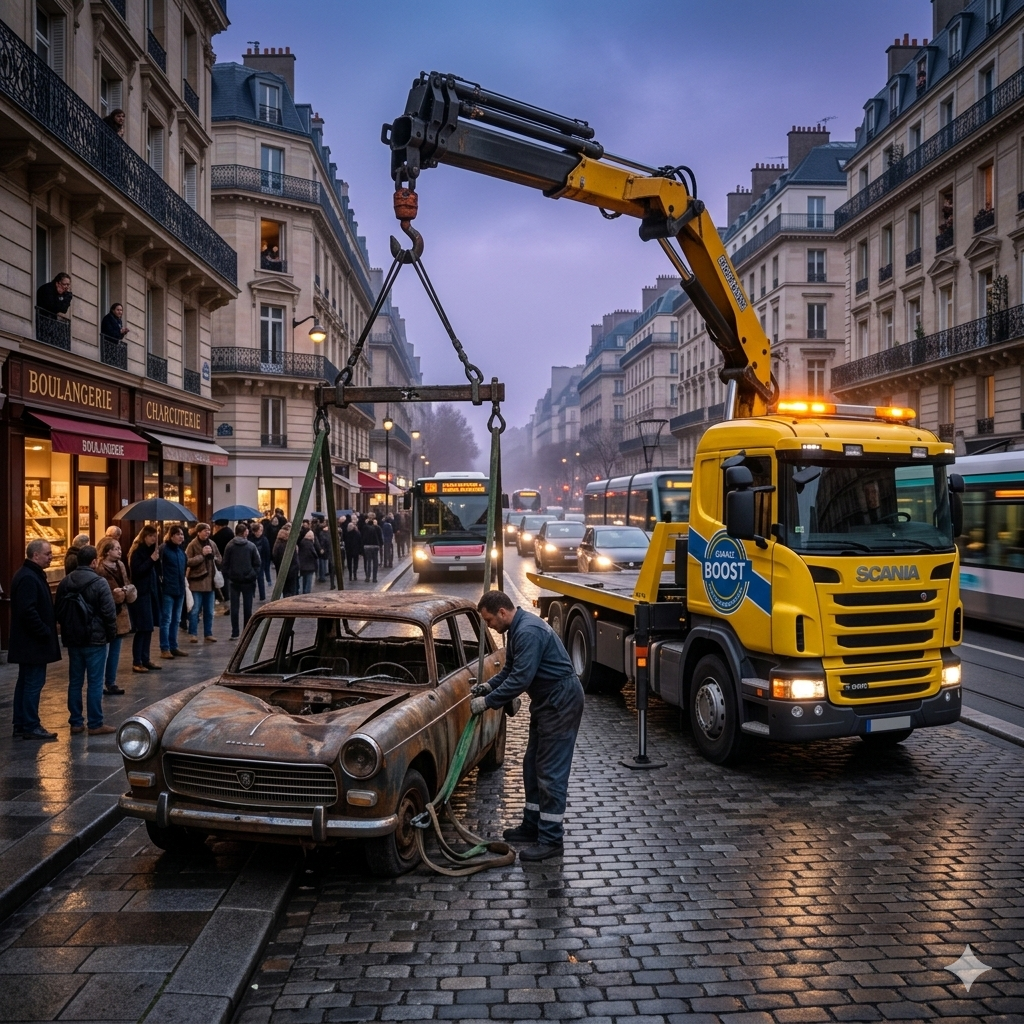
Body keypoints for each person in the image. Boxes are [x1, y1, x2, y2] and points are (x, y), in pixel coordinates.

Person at [472, 591, 585, 863]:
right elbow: (511, 669)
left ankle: (550, 840)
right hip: (547, 701)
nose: (489, 627)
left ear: (501, 612)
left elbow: (521, 679)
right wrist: (489, 685)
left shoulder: (528, 632)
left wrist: (487, 702)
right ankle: (532, 825)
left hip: (560, 701)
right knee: (532, 764)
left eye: (489, 620)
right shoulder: (517, 629)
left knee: (550, 772)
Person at [55, 545, 117, 736]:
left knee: (75, 681)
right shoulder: (99, 582)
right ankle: (95, 723)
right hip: (95, 639)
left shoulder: (65, 582)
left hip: (73, 639)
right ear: (93, 561)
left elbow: (58, 610)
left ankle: (75, 722)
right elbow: (109, 612)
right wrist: (111, 634)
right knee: (95, 682)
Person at [9, 539, 60, 740]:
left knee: (26, 682)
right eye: (47, 554)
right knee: (32, 683)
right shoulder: (29, 577)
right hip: (32, 643)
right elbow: (27, 610)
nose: (51, 557)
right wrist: (44, 630)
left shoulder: (31, 574)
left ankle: (21, 723)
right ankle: (30, 724)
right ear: (35, 555)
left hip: (29, 642)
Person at [96, 537, 133, 696]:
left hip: (120, 612)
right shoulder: (99, 568)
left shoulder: (121, 565)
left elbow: (126, 582)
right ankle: (100, 683)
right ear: (107, 551)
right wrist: (114, 595)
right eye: (116, 548)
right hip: (105, 612)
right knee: (104, 650)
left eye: (119, 548)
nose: (120, 551)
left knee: (115, 651)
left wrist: (126, 590)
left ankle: (111, 682)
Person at [127, 525, 162, 672]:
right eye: (151, 536)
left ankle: (146, 658)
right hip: (141, 594)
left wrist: (156, 559)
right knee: (142, 627)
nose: (154, 539)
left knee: (149, 628)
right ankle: (137, 661)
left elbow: (156, 569)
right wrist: (151, 559)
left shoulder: (152, 551)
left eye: (155, 536)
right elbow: (137, 571)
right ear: (145, 537)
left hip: (151, 592)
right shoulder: (137, 552)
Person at [223, 523, 261, 638]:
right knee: (247, 608)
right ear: (245, 532)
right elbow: (257, 563)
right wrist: (252, 574)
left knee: (234, 608)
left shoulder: (229, 546)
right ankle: (247, 631)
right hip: (248, 581)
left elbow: (225, 564)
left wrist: (230, 575)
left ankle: (235, 632)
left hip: (234, 581)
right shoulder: (251, 546)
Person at [185, 523, 221, 643]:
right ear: (198, 532)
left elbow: (219, 558)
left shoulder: (212, 543)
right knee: (195, 610)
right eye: (205, 530)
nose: (207, 532)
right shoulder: (192, 545)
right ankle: (193, 633)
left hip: (210, 583)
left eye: (209, 530)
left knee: (209, 611)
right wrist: (202, 556)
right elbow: (187, 561)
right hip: (196, 583)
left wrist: (214, 558)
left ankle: (208, 633)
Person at [159, 525, 189, 659]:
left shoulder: (181, 551)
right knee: (166, 619)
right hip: (168, 589)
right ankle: (165, 648)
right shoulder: (164, 549)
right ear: (171, 536)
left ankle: (174, 646)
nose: (181, 537)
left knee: (176, 619)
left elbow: (184, 568)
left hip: (179, 588)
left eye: (182, 534)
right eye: (178, 534)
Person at [272, 523, 300, 597]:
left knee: (286, 591)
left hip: (284, 572)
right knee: (289, 592)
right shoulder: (286, 545)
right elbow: (292, 560)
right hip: (290, 573)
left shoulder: (278, 542)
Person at [250, 521, 272, 600]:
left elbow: (267, 553)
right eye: (258, 531)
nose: (259, 532)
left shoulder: (264, 540)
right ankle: (251, 594)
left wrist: (267, 564)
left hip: (261, 562)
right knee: (252, 579)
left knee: (260, 579)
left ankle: (262, 596)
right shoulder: (251, 539)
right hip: (252, 562)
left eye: (260, 531)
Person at [360, 516, 383, 583]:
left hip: (367, 546)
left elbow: (362, 537)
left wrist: (362, 546)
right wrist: (380, 545)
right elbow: (380, 538)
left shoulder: (365, 528)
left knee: (368, 562)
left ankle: (367, 577)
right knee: (375, 562)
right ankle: (374, 578)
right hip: (375, 546)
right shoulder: (377, 528)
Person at [296, 527, 318, 595]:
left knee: (303, 581)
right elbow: (314, 554)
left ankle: (302, 593)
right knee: (308, 583)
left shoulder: (302, 542)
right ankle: (306, 594)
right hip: (309, 566)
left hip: (302, 565)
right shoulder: (309, 543)